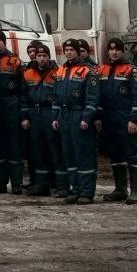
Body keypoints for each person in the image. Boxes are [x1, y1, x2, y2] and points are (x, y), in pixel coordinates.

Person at [97, 37, 137, 205]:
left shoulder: (131, 71)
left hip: (126, 120)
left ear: (123, 51)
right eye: (111, 49)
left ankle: (136, 192)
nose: (114, 52)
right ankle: (120, 190)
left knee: (133, 153)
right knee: (115, 154)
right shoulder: (102, 70)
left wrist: (134, 119)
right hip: (109, 120)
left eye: (117, 49)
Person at [53, 38, 99, 205]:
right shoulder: (61, 71)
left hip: (79, 116)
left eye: (72, 50)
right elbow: (56, 97)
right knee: (69, 154)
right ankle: (76, 189)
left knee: (83, 154)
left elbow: (93, 99)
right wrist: (55, 117)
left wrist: (87, 118)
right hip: (64, 116)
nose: (69, 53)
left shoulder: (88, 71)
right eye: (66, 50)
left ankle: (87, 192)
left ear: (78, 52)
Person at [20, 40, 63, 197]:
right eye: (39, 56)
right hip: (34, 114)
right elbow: (24, 97)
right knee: (37, 150)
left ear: (49, 57)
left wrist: (56, 117)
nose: (42, 59)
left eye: (45, 56)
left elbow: (59, 96)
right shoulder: (28, 73)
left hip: (50, 112)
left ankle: (61, 185)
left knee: (55, 150)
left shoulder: (57, 73)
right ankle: (41, 185)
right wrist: (24, 117)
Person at [0, 30, 24, 194]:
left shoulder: (15, 61)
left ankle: (16, 183)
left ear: (4, 42)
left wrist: (22, 111)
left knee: (14, 145)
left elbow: (23, 89)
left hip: (11, 104)